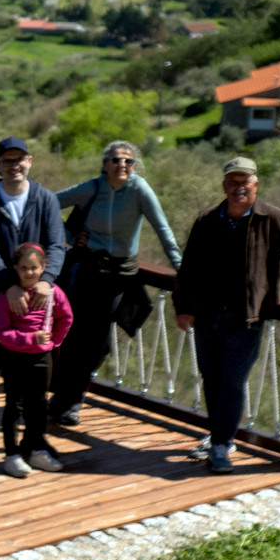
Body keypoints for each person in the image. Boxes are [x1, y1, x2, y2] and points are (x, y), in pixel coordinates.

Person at [174, 156, 280, 474]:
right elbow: (188, 267)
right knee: (212, 380)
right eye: (232, 182)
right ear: (224, 186)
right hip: (207, 317)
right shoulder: (207, 220)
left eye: (244, 182)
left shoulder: (272, 219)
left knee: (232, 382)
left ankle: (220, 447)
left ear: (255, 185)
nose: (238, 188)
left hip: (246, 319)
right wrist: (183, 307)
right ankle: (222, 438)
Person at [48, 140, 185, 426]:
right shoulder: (93, 187)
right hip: (87, 269)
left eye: (128, 161)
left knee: (96, 339)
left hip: (118, 275)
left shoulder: (139, 190)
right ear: (104, 164)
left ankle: (72, 400)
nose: (122, 165)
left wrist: (181, 270)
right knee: (73, 334)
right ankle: (61, 398)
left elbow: (163, 229)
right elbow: (48, 203)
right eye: (116, 160)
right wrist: (70, 237)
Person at [0, 138, 67, 462]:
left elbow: (55, 244)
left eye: (19, 160)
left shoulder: (46, 199)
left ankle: (32, 440)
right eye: (7, 161)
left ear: (30, 161)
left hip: (38, 301)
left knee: (34, 376)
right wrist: (8, 285)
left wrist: (47, 281)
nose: (14, 166)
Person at [0, 244, 75, 478]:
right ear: (15, 269)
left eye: (34, 268)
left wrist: (53, 342)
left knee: (38, 404)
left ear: (43, 268)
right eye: (24, 268)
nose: (29, 273)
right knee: (13, 405)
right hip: (14, 357)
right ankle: (11, 453)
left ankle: (36, 448)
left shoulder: (53, 293)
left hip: (41, 357)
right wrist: (31, 338)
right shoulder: (6, 297)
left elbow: (66, 317)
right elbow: (1, 333)